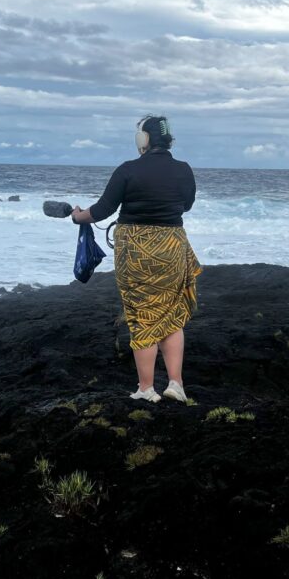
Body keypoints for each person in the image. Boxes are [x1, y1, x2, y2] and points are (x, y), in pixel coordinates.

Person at [71, 115, 201, 404]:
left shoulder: (128, 170)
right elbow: (187, 205)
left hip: (136, 251)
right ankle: (176, 384)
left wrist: (78, 216)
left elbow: (102, 210)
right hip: (172, 247)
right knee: (171, 313)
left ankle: (146, 388)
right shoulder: (184, 170)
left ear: (143, 139)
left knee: (142, 314)